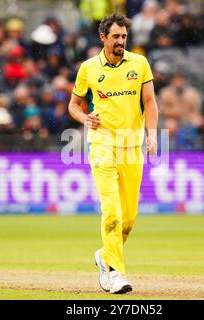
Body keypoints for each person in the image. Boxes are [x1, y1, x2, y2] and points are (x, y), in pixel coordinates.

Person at [68, 13, 159, 294]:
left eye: (124, 37)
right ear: (103, 37)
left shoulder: (139, 63)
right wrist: (85, 119)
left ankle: (105, 256)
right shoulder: (88, 68)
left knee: (128, 220)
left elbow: (150, 102)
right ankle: (113, 273)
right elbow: (74, 105)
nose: (121, 41)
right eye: (116, 36)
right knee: (111, 213)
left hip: (132, 147)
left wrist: (152, 134)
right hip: (102, 144)